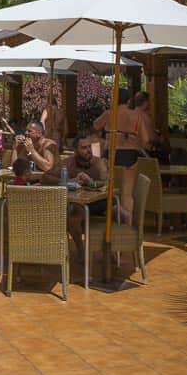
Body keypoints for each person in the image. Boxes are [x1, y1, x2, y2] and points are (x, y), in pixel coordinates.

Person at [94, 88, 151, 223]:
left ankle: (111, 221)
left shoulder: (109, 113)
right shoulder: (136, 115)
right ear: (129, 100)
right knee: (127, 193)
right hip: (130, 154)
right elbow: (146, 139)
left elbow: (96, 125)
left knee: (110, 189)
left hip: (112, 154)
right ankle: (127, 223)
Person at [67, 132, 109, 262]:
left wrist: (92, 183)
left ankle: (111, 251)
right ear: (75, 150)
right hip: (81, 203)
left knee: (122, 214)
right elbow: (47, 176)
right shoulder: (70, 162)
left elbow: (106, 182)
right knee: (72, 218)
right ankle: (81, 249)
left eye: (89, 147)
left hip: (101, 201)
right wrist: (71, 180)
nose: (88, 150)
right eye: (83, 148)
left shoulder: (98, 162)